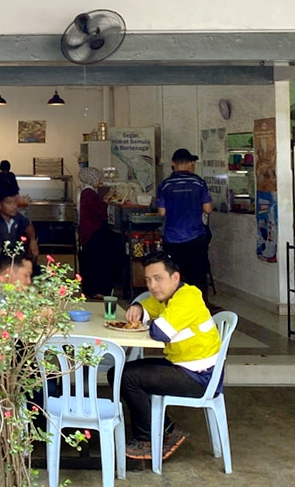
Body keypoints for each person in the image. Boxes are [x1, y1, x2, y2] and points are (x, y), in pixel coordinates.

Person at [116, 251, 221, 461]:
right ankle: (168, 430)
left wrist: (149, 321)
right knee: (117, 373)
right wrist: (138, 308)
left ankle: (147, 440)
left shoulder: (187, 297)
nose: (152, 286)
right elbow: (148, 307)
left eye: (158, 278)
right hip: (181, 365)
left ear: (175, 277)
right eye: (148, 280)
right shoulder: (168, 297)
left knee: (128, 377)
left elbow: (160, 332)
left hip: (199, 376)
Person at [156, 148, 213, 302]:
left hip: (172, 239)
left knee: (175, 277)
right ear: (189, 164)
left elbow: (161, 212)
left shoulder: (165, 185)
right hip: (195, 237)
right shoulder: (198, 182)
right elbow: (208, 209)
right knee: (198, 277)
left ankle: (176, 309)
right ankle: (199, 311)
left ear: (173, 164)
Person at [77, 167, 118, 298]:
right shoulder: (88, 193)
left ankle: (92, 289)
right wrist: (106, 200)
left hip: (89, 231)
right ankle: (96, 290)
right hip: (93, 231)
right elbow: (98, 210)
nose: (99, 181)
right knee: (97, 261)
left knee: (92, 260)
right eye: (97, 178)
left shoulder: (86, 191)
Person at [0, 189, 39, 263]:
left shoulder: (19, 218)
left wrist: (32, 240)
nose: (14, 206)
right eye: (9, 203)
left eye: (15, 202)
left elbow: (29, 226)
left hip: (16, 262)